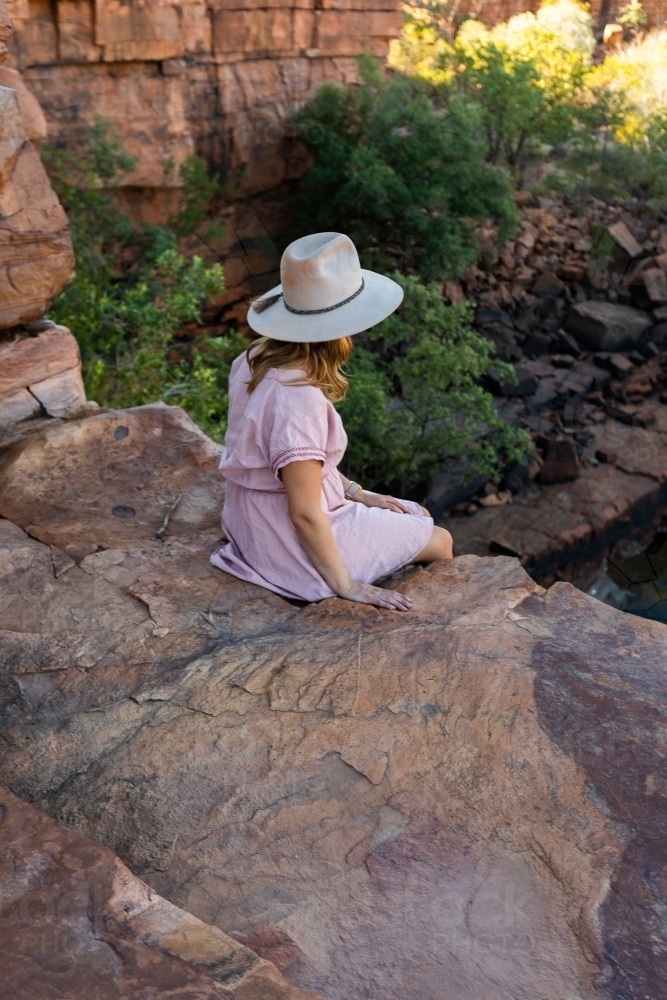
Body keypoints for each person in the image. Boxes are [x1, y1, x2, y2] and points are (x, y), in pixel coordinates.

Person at [210, 232, 453, 611]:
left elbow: (294, 463)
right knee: (439, 539)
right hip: (285, 539)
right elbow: (304, 513)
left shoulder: (256, 356)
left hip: (249, 518)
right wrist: (347, 586)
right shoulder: (298, 400)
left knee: (412, 513)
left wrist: (359, 493)